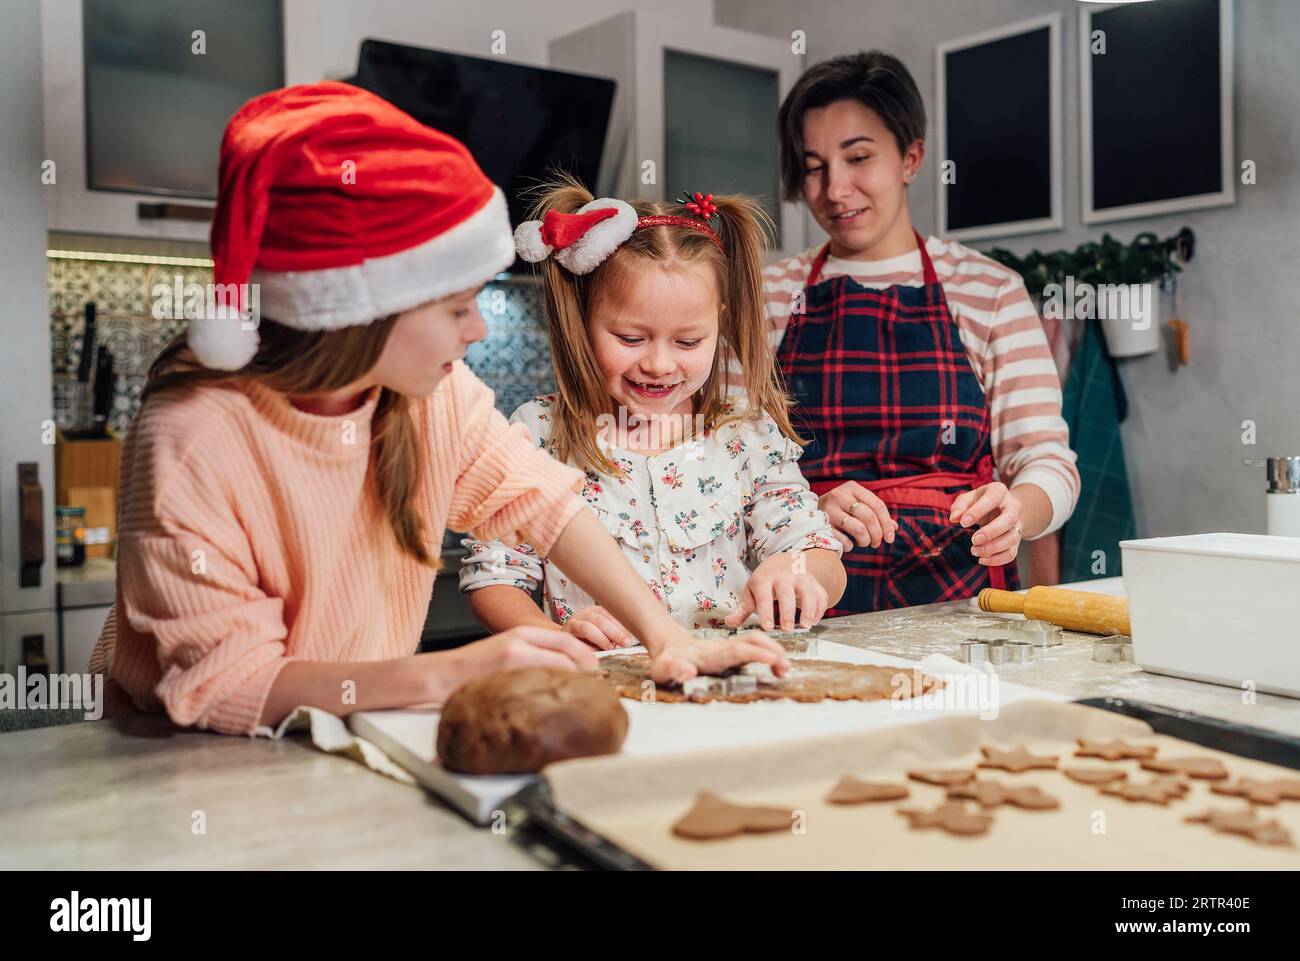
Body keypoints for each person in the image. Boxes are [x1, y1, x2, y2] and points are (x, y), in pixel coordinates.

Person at [88, 83, 787, 736]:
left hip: (342, 733)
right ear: (364, 314)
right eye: (457, 305)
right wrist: (454, 671)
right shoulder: (197, 439)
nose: (478, 327)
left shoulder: (433, 393)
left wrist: (670, 640)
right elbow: (227, 684)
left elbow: (543, 504)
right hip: (182, 757)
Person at [757, 51, 1080, 612]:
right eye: (813, 167)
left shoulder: (990, 290)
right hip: (801, 595)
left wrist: (1018, 512)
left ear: (911, 158)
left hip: (962, 601)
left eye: (858, 157)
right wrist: (799, 510)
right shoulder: (767, 294)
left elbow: (1046, 460)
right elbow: (723, 461)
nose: (835, 189)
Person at [460, 178, 846, 644]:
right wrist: (552, 636)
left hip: (731, 688)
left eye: (688, 341)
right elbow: (495, 578)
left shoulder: (747, 432)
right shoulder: (539, 434)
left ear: (719, 321)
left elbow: (821, 555)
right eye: (630, 339)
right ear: (583, 320)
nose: (659, 364)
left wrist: (797, 569)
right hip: (601, 691)